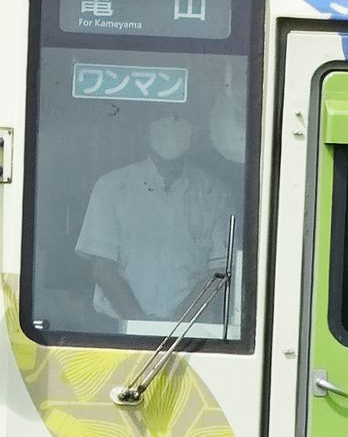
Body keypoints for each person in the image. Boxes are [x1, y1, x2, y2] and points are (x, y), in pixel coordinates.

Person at [76, 109, 237, 330]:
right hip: (118, 328)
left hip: (190, 331)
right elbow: (103, 268)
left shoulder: (216, 194)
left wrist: (175, 328)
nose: (169, 167)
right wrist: (142, 326)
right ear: (145, 137)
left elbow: (218, 272)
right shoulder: (112, 187)